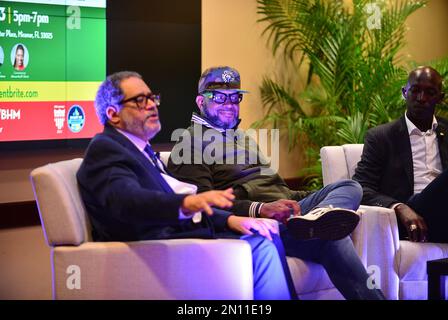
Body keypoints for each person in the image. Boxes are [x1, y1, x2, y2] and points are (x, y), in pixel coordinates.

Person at [167, 66, 385, 300]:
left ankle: (318, 216)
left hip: (286, 208)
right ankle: (316, 224)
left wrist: (307, 199)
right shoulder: (188, 144)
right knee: (332, 237)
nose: (229, 104)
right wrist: (260, 209)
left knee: (350, 187)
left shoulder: (241, 137)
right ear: (201, 101)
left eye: (235, 98)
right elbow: (204, 208)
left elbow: (276, 187)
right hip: (260, 221)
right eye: (219, 98)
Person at [76, 71, 293, 300]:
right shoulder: (106, 148)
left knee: (262, 232)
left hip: (183, 238)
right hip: (158, 251)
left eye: (152, 98)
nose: (152, 105)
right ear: (113, 114)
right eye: (140, 100)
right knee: (261, 246)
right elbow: (127, 201)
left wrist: (232, 219)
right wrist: (188, 202)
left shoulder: (143, 152)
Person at [353, 66, 448, 243]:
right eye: (415, 91)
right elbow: (361, 187)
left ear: (440, 98)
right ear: (405, 92)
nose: (421, 98)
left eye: (430, 92)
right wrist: (399, 207)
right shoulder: (381, 137)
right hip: (412, 216)